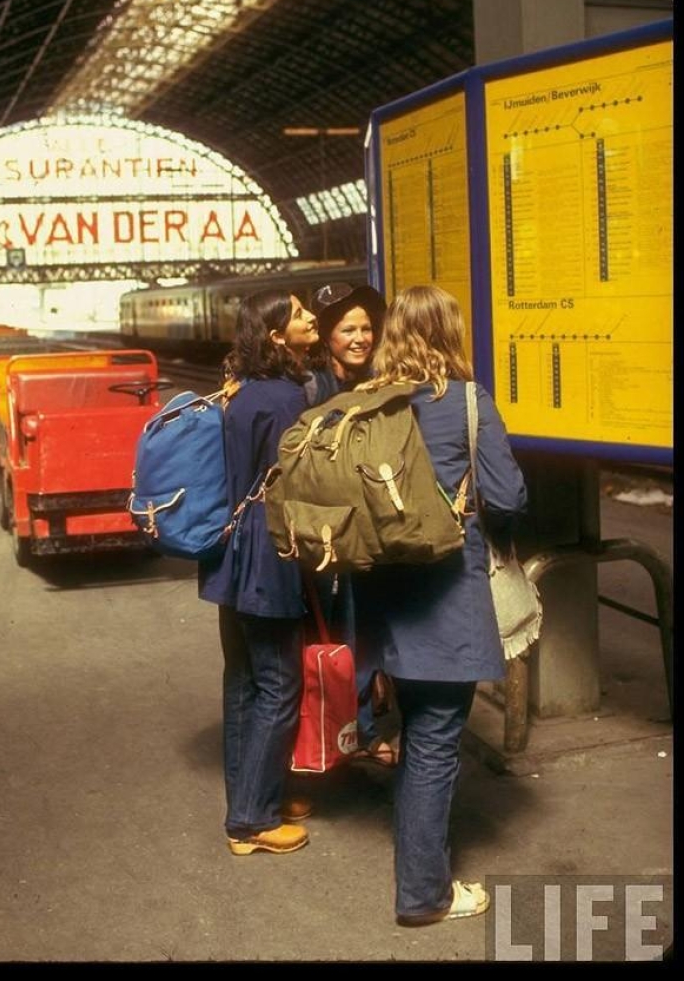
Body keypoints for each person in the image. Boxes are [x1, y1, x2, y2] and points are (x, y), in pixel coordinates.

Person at [352, 284, 527, 926]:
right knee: (434, 740)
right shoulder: (467, 402)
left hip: (382, 597)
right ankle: (424, 893)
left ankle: (420, 866)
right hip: (446, 593)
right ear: (450, 333)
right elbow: (507, 496)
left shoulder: (367, 404)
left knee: (415, 728)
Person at [198, 289, 319, 856]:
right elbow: (302, 480)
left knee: (243, 682)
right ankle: (252, 819)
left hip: (229, 552)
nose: (310, 318)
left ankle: (248, 797)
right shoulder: (286, 397)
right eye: (298, 314)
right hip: (269, 553)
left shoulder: (240, 392)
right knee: (280, 683)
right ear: (276, 337)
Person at [306, 282, 398, 769]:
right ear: (327, 335)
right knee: (330, 629)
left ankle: (361, 727)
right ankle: (334, 731)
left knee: (363, 628)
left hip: (369, 529)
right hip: (326, 531)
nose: (361, 337)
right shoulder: (312, 386)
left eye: (366, 327)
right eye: (348, 329)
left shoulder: (380, 379)